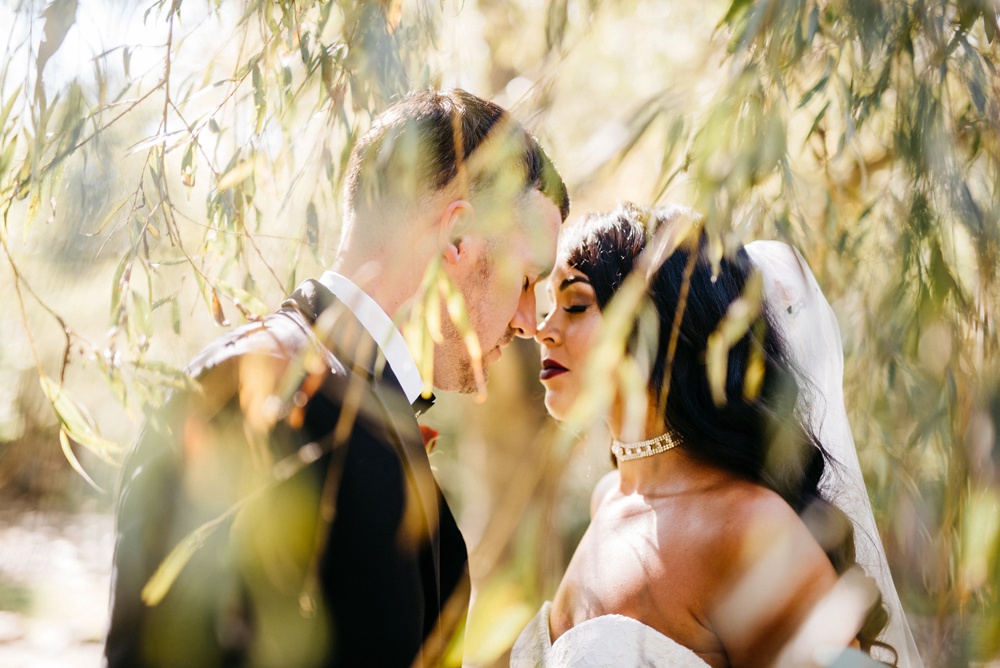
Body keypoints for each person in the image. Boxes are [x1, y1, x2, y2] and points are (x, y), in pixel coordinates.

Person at [105, 88, 569, 667]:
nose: (530, 322)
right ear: (456, 238)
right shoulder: (253, 392)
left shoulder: (368, 403)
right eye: (527, 279)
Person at [512, 203, 922, 667]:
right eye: (548, 307)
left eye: (575, 304)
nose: (542, 331)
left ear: (662, 326)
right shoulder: (607, 499)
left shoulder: (750, 531)